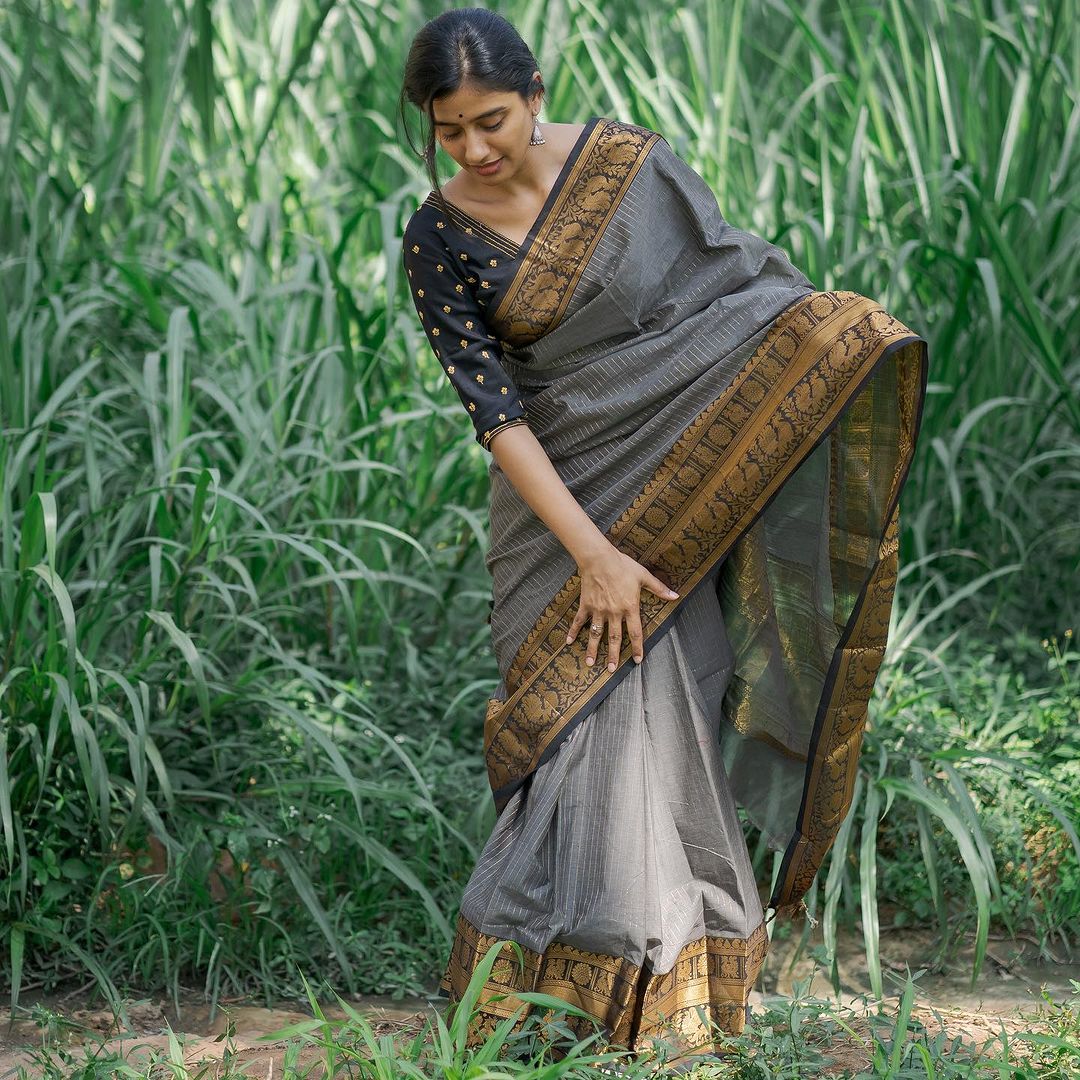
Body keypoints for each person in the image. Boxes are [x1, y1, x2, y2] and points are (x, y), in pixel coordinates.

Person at [398, 7, 927, 1072]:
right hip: (556, 515)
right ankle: (544, 1001)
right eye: (448, 130)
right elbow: (494, 412)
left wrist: (829, 345)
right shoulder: (438, 235)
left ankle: (668, 1001)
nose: (474, 149)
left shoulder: (630, 169)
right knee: (577, 729)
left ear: (535, 90)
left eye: (490, 120)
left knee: (667, 715)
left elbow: (735, 298)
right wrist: (592, 553)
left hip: (679, 495)